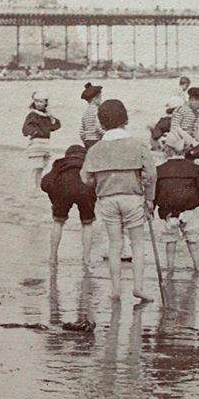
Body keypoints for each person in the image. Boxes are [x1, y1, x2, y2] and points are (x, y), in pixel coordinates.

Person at [80, 99, 157, 302]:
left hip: (108, 199)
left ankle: (115, 290)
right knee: (137, 244)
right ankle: (138, 288)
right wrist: (149, 199)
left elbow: (86, 178)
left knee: (115, 244)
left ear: (101, 124)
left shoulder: (95, 149)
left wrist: (100, 182)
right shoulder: (138, 145)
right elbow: (150, 174)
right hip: (132, 198)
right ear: (126, 120)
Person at [155, 130, 199, 273]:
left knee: (170, 240)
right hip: (190, 211)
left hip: (168, 212)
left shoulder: (160, 170)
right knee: (192, 240)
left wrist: (150, 209)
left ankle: (170, 267)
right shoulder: (196, 169)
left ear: (167, 149)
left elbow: (154, 192)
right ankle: (198, 265)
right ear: (187, 149)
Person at [41, 144, 96, 265]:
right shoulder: (90, 163)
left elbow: (46, 183)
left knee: (58, 222)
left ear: (67, 155)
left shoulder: (59, 163)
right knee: (87, 224)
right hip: (85, 189)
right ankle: (86, 259)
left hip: (64, 188)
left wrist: (54, 198)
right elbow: (97, 182)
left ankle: (53, 257)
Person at [22, 89, 61, 190]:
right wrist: (35, 132)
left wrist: (50, 116)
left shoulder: (46, 116)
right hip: (36, 144)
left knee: (40, 167)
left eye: (41, 102)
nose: (38, 104)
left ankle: (37, 186)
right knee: (34, 167)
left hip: (45, 144)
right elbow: (25, 129)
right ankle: (31, 187)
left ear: (46, 103)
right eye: (36, 101)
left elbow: (56, 126)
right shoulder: (33, 114)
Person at [170, 84, 199, 159]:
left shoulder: (194, 114)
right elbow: (175, 127)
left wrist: (197, 138)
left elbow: (195, 128)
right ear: (192, 100)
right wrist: (186, 137)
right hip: (178, 140)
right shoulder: (180, 110)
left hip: (189, 142)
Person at [79, 83, 104, 150]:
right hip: (96, 140)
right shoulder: (97, 111)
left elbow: (81, 132)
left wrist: (85, 141)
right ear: (95, 99)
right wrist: (105, 134)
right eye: (100, 98)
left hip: (87, 141)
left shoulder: (85, 113)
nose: (101, 100)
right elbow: (98, 126)